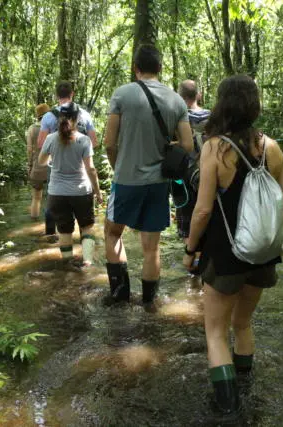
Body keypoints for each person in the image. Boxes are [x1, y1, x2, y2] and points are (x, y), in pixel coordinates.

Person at [182, 75, 283, 418]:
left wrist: (190, 251)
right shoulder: (272, 147)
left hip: (226, 254)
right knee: (242, 324)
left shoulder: (215, 147)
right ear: (254, 105)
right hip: (263, 254)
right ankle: (245, 387)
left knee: (215, 332)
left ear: (222, 104)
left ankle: (228, 406)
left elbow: (201, 211)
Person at [103, 44, 193, 307]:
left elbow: (109, 142)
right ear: (160, 68)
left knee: (112, 232)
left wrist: (118, 166)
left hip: (126, 180)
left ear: (135, 68)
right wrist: (167, 149)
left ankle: (119, 295)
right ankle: (149, 303)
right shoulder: (176, 100)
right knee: (151, 248)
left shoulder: (122, 94)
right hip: (158, 183)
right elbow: (187, 145)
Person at [37, 102, 102, 266]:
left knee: (64, 231)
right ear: (77, 118)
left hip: (57, 193)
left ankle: (67, 265)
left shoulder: (51, 139)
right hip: (81, 191)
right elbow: (91, 169)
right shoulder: (84, 140)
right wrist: (98, 191)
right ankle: (87, 263)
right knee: (86, 227)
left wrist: (55, 157)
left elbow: (42, 161)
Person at [175, 80, 211, 243]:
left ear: (179, 96)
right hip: (208, 170)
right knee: (207, 213)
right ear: (198, 95)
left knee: (186, 220)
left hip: (182, 173)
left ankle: (190, 258)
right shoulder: (211, 116)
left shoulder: (178, 116)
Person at [36, 81, 98, 150]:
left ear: (57, 96)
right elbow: (94, 143)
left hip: (56, 159)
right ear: (72, 94)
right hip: (79, 159)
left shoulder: (48, 117)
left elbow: (40, 144)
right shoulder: (85, 115)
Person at [27, 103, 51, 220]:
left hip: (37, 168)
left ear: (38, 116)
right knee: (53, 199)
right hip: (53, 168)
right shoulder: (54, 127)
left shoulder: (32, 129)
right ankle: (52, 229)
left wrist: (30, 166)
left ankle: (34, 223)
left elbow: (29, 150)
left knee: (36, 198)